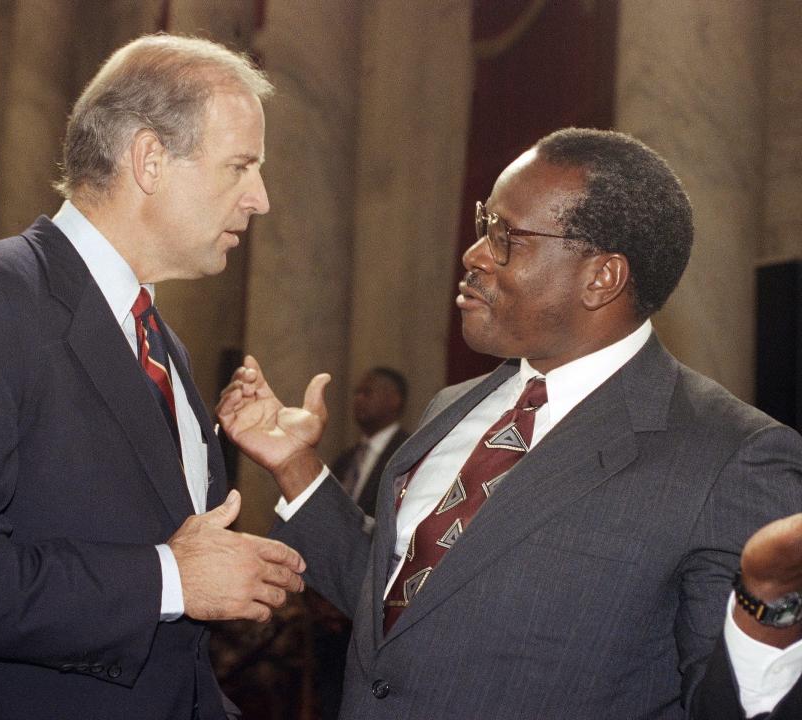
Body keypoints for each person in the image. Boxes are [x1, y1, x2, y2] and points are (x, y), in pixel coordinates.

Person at [217, 128, 802, 719]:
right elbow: (405, 603)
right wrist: (295, 465)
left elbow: (729, 704)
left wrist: (772, 609)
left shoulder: (731, 456)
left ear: (602, 278)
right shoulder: (453, 406)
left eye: (505, 237)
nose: (472, 256)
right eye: (482, 225)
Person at [0, 34, 306, 720]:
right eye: (241, 166)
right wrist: (169, 578)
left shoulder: (164, 343)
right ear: (150, 159)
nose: (261, 199)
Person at [331, 368, 409, 517]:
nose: (358, 399)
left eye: (367, 393)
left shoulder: (409, 453)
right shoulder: (345, 459)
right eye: (357, 393)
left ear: (394, 400)